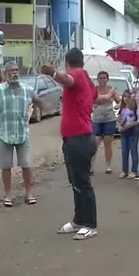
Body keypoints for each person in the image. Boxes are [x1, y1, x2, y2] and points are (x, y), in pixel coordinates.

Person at [42, 49, 99, 240]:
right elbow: (96, 96)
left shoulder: (78, 75)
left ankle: (90, 224)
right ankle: (78, 220)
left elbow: (68, 80)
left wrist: (52, 73)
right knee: (75, 182)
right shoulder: (87, 79)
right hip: (74, 139)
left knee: (82, 182)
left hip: (80, 139)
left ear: (67, 63)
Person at [0, 61, 50, 207]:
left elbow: (39, 101)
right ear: (5, 74)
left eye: (17, 70)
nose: (15, 73)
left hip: (22, 134)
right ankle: (8, 195)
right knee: (6, 166)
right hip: (4, 134)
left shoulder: (27, 90)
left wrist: (46, 106)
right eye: (12, 71)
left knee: (26, 165)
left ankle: (29, 193)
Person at [92, 71, 121, 175]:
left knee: (108, 142)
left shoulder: (111, 90)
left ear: (107, 79)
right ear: (97, 79)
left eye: (104, 78)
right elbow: (88, 101)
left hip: (109, 118)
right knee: (95, 142)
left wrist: (119, 105)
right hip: (96, 119)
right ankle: (91, 166)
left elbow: (120, 101)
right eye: (100, 78)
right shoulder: (94, 90)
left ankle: (108, 166)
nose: (102, 80)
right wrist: (92, 106)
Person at [117, 94, 139, 179]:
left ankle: (134, 170)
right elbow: (119, 119)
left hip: (133, 131)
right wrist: (119, 126)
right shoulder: (122, 108)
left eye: (128, 96)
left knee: (133, 151)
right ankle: (124, 171)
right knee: (124, 152)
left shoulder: (134, 108)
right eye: (124, 96)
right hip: (123, 131)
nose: (126, 98)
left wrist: (130, 125)